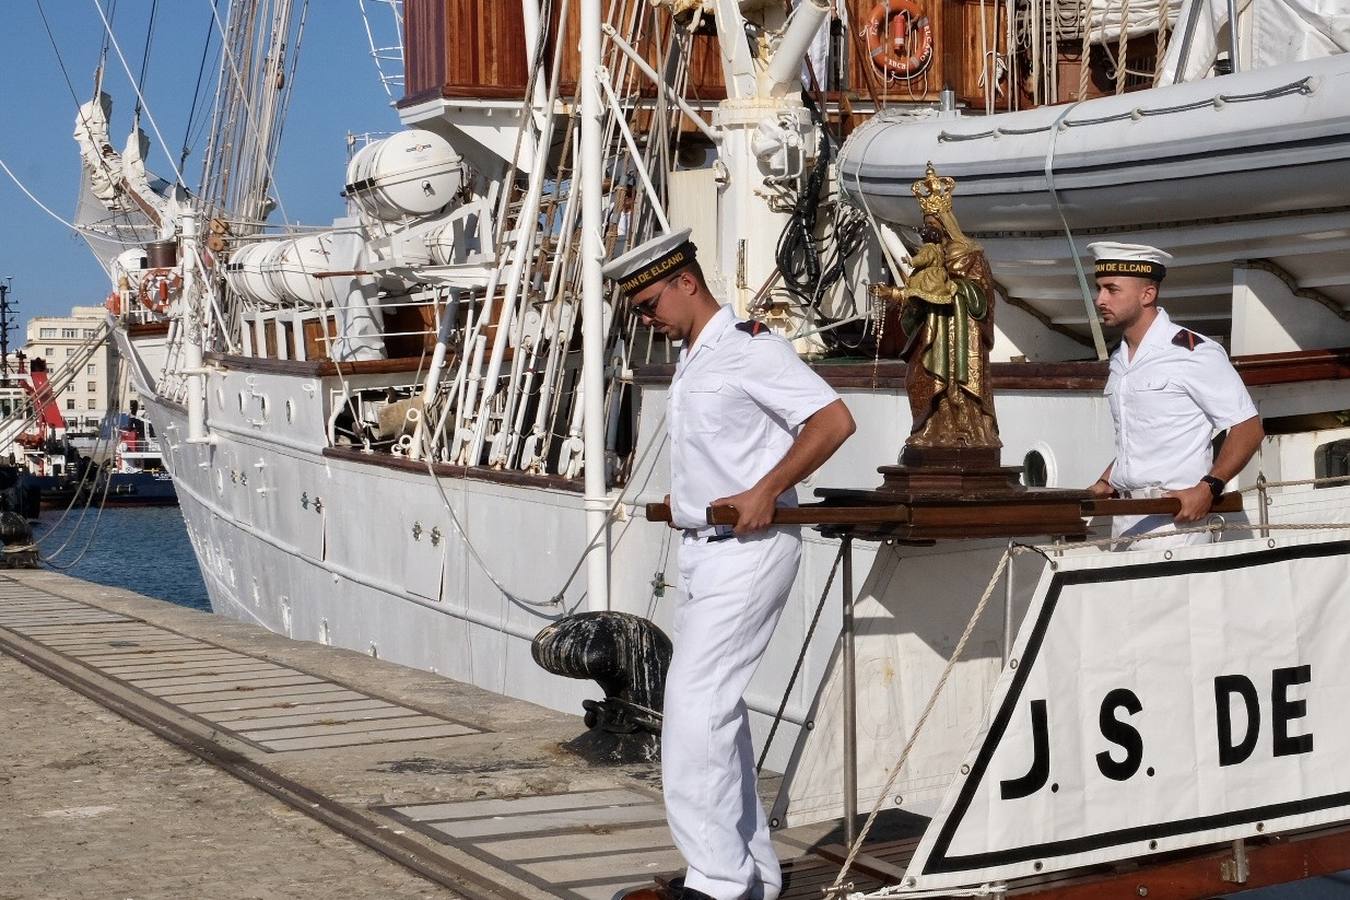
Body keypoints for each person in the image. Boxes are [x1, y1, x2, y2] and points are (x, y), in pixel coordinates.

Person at [606, 229, 855, 900]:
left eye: (651, 302)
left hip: (747, 552)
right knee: (718, 714)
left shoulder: (749, 348)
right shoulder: (693, 358)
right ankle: (754, 876)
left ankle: (719, 884)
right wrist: (687, 499)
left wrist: (766, 491)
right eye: (639, 311)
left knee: (694, 708)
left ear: (686, 282)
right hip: (703, 550)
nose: (647, 318)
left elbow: (832, 421)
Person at [1085, 242, 1264, 549]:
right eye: (1099, 289)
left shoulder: (1192, 351)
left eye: (1112, 290)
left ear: (1147, 294)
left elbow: (1248, 428)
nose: (1100, 299)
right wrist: (1104, 482)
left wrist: (1209, 488)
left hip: (1174, 519)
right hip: (1124, 517)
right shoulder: (1120, 359)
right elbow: (1142, 437)